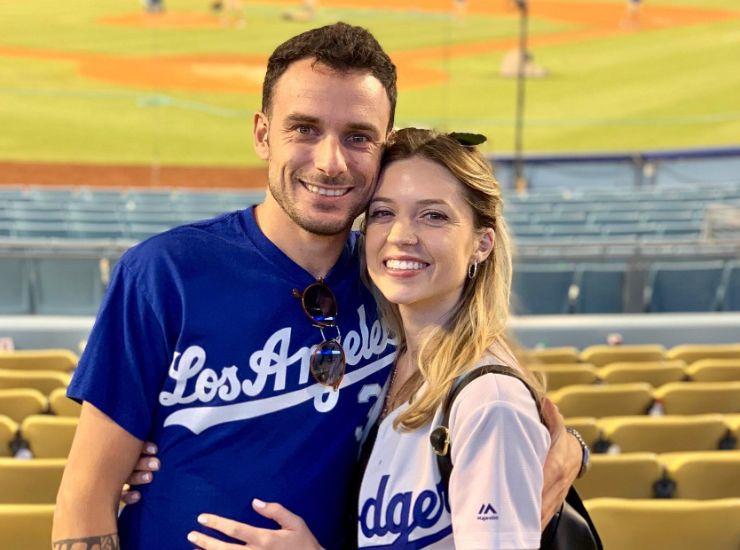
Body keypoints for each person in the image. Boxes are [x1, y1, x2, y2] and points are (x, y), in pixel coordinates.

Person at [53, 23, 585, 550]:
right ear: (263, 134)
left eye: (357, 137)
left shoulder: (395, 279)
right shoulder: (162, 272)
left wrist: (567, 448)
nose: (330, 162)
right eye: (304, 129)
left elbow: (485, 374)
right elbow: (84, 499)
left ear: (383, 146)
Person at [183, 129, 560, 548]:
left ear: (482, 243)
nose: (401, 235)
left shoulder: (488, 401)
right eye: (383, 213)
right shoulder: (386, 356)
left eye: (433, 215)